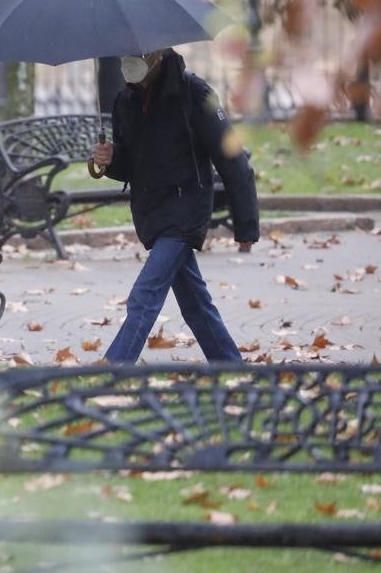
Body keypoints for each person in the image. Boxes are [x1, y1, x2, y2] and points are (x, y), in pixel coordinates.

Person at [90, 48, 259, 364]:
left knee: (144, 297)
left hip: (186, 209)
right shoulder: (125, 100)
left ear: (159, 54)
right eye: (127, 52)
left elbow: (232, 158)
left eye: (139, 53)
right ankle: (231, 367)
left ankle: (112, 371)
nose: (130, 60)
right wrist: (110, 159)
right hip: (150, 212)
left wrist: (246, 224)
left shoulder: (194, 93)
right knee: (196, 304)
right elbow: (129, 164)